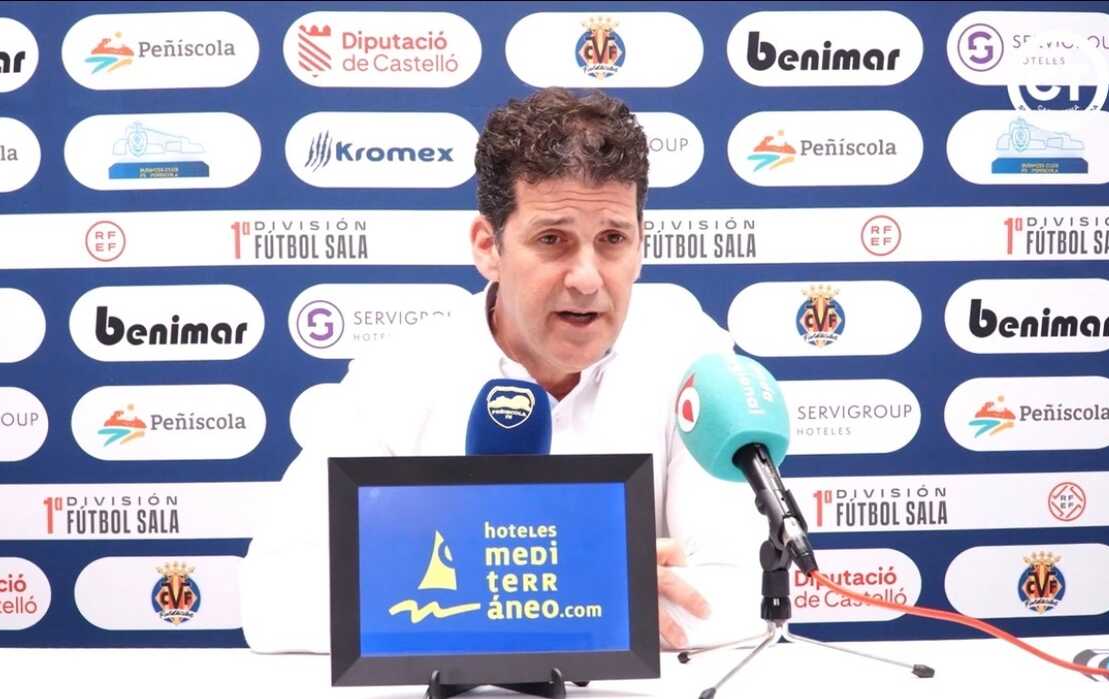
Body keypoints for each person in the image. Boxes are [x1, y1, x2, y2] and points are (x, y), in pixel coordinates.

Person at [241, 87, 765, 653]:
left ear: (640, 246)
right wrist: (578, 589)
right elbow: (274, 599)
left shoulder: (692, 360)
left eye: (613, 239)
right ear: (488, 247)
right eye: (552, 240)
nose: (587, 278)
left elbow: (751, 590)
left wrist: (460, 606)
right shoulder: (398, 376)